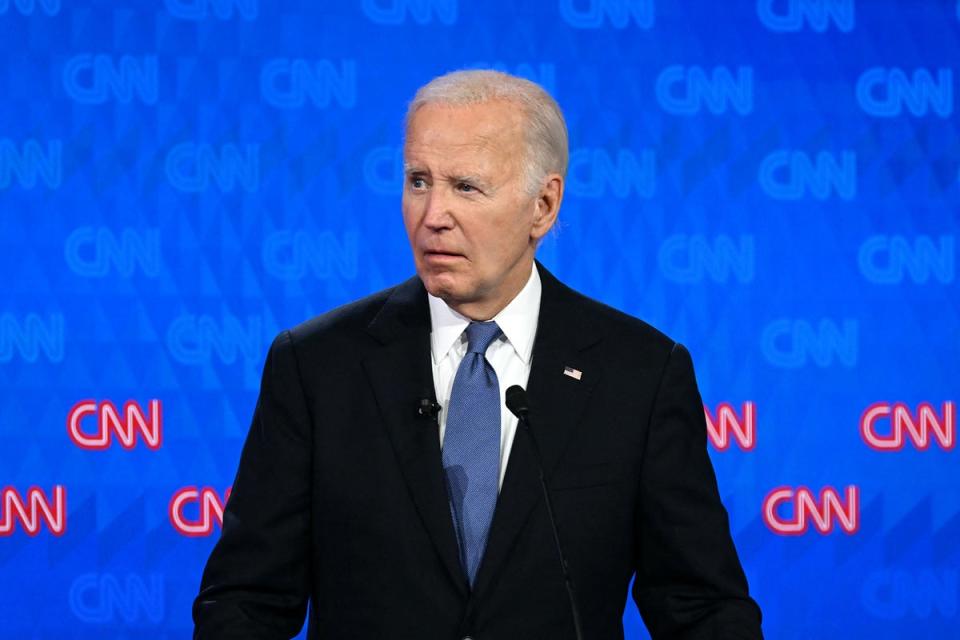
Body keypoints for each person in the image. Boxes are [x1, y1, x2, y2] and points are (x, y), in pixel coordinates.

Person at [194, 69, 763, 639]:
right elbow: (245, 602)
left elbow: (703, 610)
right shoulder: (317, 366)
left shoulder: (638, 375)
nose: (432, 214)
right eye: (418, 181)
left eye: (465, 187)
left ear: (543, 205)